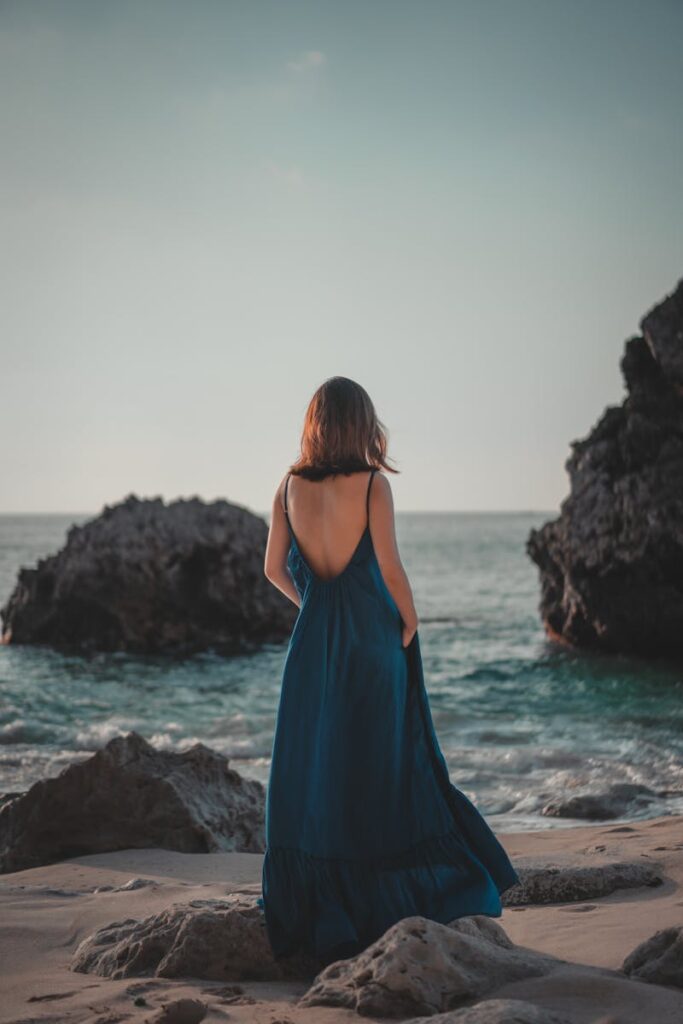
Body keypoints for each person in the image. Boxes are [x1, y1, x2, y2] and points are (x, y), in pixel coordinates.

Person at [259, 376, 519, 964]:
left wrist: (314, 606)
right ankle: (391, 895)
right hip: (373, 641)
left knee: (320, 770)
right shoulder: (374, 485)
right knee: (384, 767)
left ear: (314, 424)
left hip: (312, 647)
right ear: (363, 425)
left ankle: (320, 907)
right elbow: (392, 568)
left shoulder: (287, 486)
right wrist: (410, 621)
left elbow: (273, 568)